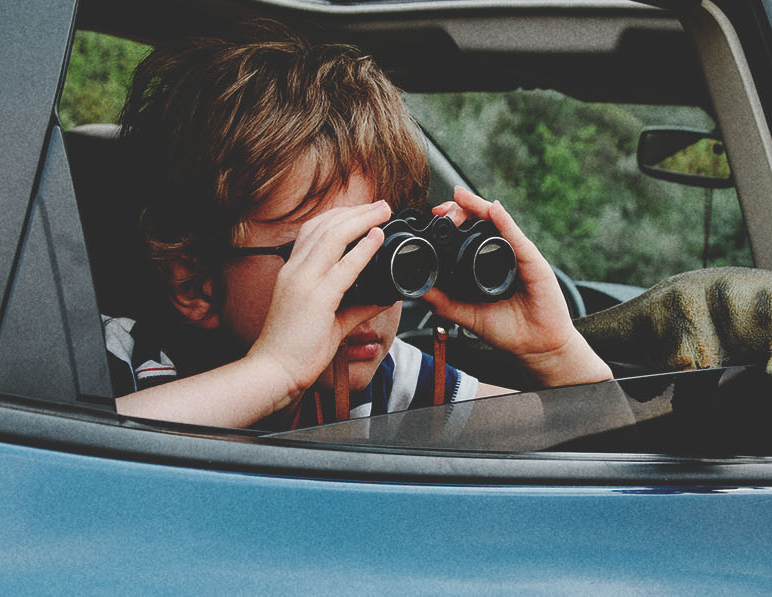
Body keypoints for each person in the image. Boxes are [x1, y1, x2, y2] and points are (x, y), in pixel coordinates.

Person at [102, 22, 611, 430]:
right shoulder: (121, 361)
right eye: (331, 254)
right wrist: (273, 374)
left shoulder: (387, 382)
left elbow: (597, 448)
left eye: (387, 249)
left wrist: (555, 353)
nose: (374, 297)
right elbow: (67, 464)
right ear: (195, 281)